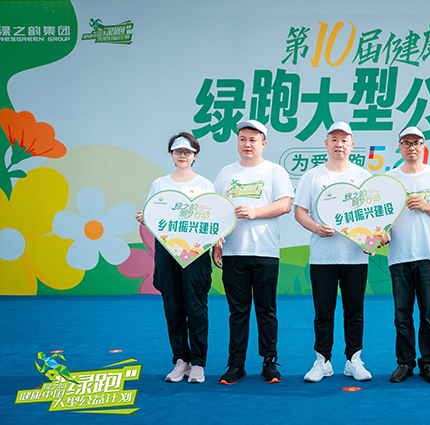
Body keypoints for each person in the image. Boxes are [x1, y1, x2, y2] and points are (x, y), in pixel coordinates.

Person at [212, 119, 294, 384]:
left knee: (266, 310)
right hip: (233, 252)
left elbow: (285, 205)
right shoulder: (226, 173)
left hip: (265, 252)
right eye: (242, 139)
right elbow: (214, 210)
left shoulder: (274, 171)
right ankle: (236, 365)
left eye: (253, 140)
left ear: (263, 143)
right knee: (237, 312)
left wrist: (255, 212)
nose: (247, 144)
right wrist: (216, 241)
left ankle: (269, 362)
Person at [294, 121, 374, 383]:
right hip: (322, 257)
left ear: (352, 145)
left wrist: (376, 236)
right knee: (323, 312)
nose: (339, 145)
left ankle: (353, 360)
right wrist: (316, 228)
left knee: (354, 312)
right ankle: (323, 362)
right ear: (326, 143)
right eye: (334, 139)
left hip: (355, 256)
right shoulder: (313, 176)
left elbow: (374, 214)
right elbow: (299, 211)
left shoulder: (363, 176)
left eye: (344, 140)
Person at [135, 132, 215, 384]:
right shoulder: (160, 184)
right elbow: (153, 216)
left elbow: (213, 219)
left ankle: (198, 363)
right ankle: (181, 360)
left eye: (187, 151)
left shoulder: (205, 185)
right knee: (173, 306)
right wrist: (145, 217)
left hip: (196, 254)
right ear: (171, 154)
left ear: (195, 155)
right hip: (167, 253)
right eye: (178, 151)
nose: (183, 155)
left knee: (196, 307)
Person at [386, 126, 430, 384]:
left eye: (416, 142)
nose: (411, 147)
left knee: (428, 313)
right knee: (401, 314)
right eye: (406, 142)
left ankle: (428, 363)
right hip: (399, 255)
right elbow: (381, 216)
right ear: (399, 147)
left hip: (428, 254)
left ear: (424, 146)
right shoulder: (390, 178)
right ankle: (404, 363)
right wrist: (382, 231)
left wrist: (426, 206)